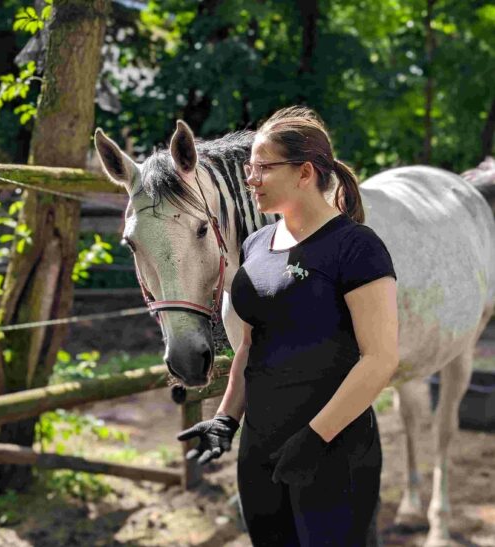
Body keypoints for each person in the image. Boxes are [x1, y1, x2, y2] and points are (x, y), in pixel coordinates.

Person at [176, 106, 399, 546]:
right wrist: (225, 419)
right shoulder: (257, 244)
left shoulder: (356, 247)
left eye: (263, 168)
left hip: (333, 453)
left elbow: (380, 358)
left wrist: (315, 438)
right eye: (249, 168)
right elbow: (250, 344)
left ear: (304, 173)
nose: (250, 178)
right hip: (259, 452)